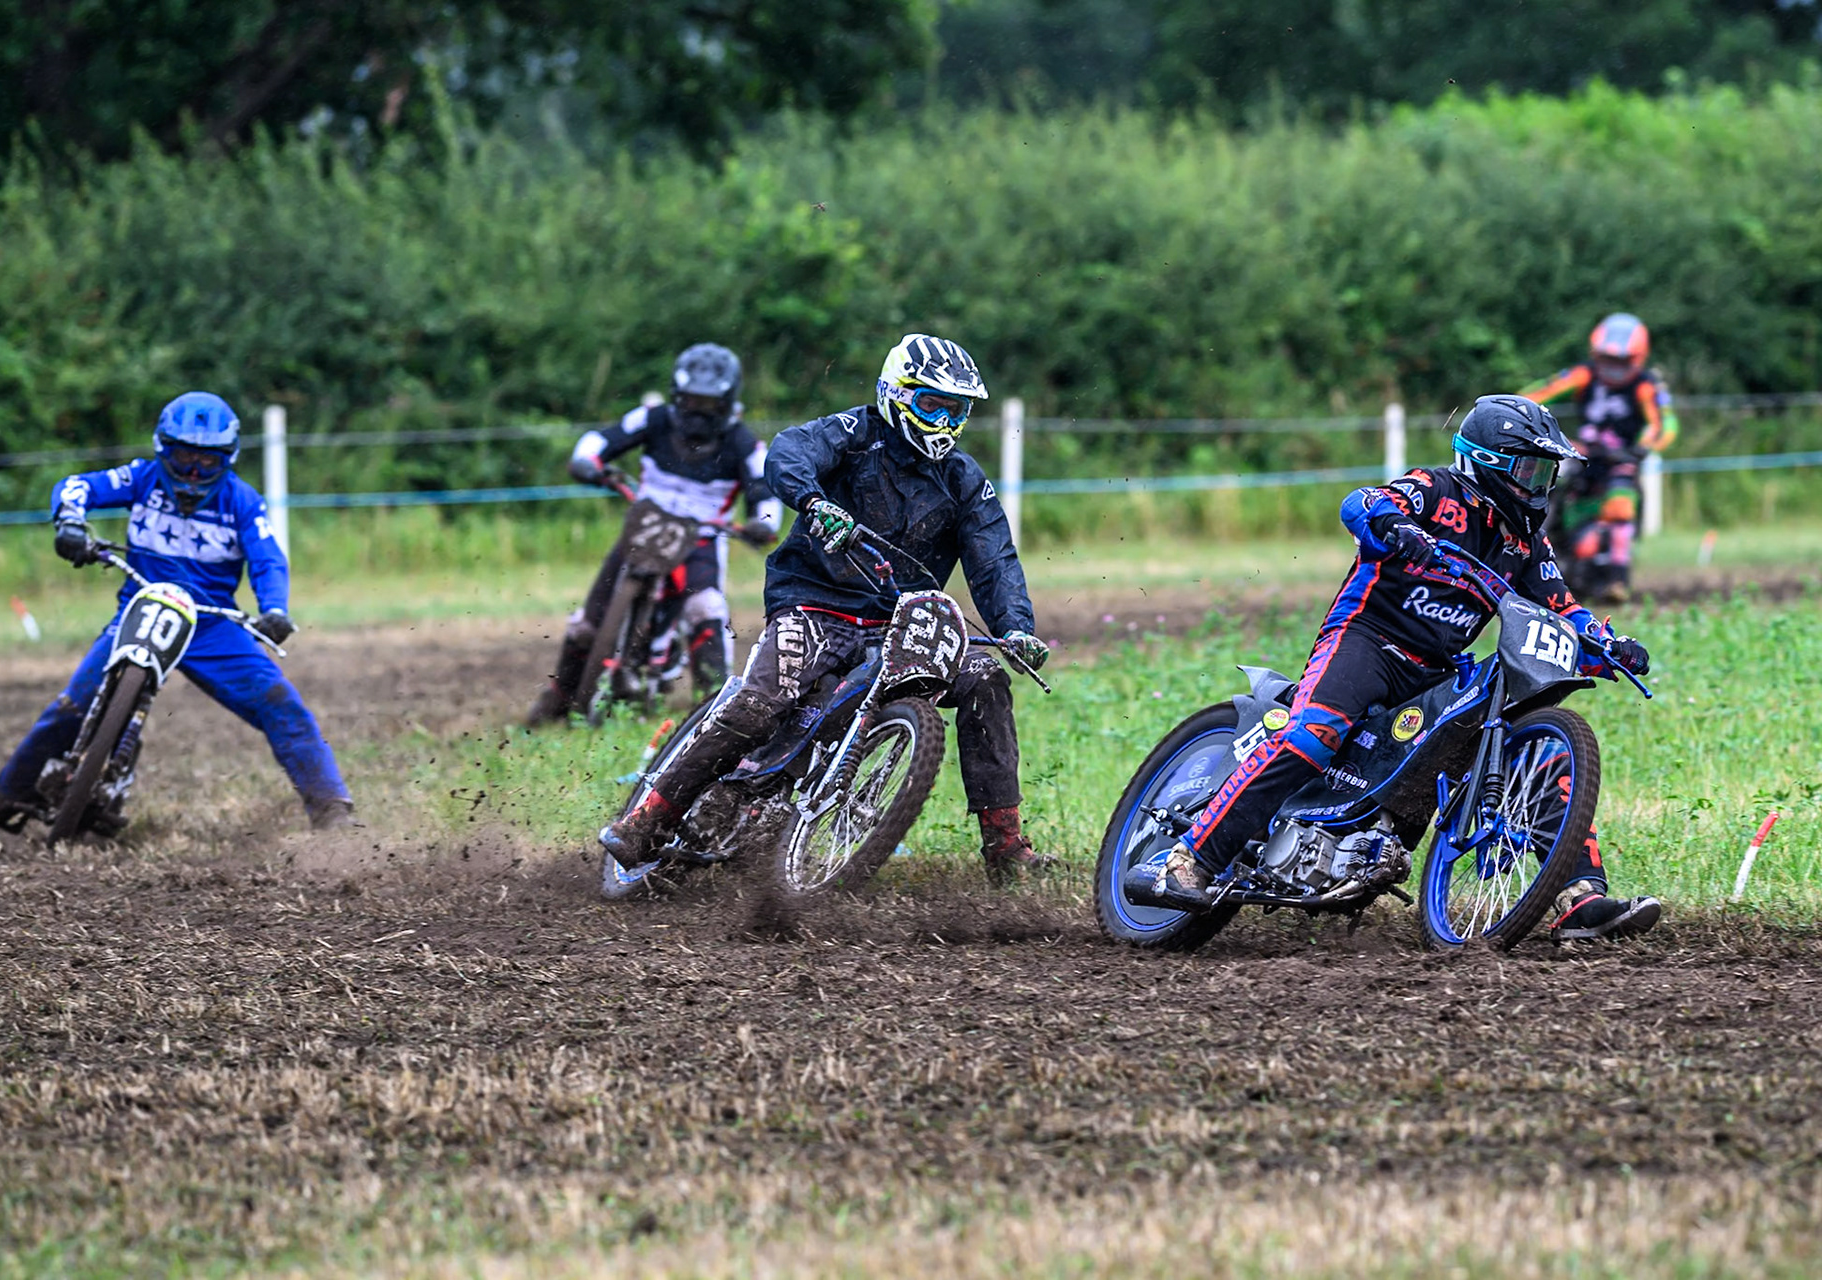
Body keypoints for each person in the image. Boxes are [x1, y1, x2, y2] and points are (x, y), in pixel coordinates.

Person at [1140, 395, 1661, 941]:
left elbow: (1562, 607)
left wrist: (1609, 642)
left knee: (1531, 754)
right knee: (1314, 732)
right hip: (1365, 640)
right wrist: (1394, 527)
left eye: (1546, 472)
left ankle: (1580, 896)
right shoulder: (1436, 489)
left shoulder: (1525, 541)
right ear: (1489, 462)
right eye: (1530, 469)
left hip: (1436, 668)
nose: (1540, 485)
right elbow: (1362, 502)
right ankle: (1188, 859)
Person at [597, 333, 1054, 884]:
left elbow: (995, 561)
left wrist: (1017, 629)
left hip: (901, 622)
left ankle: (1005, 845)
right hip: (815, 605)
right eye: (932, 404)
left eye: (957, 409)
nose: (945, 420)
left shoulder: (963, 479)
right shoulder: (851, 434)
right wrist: (815, 503)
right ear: (895, 393)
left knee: (985, 679)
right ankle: (648, 820)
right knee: (757, 705)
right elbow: (788, 453)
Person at [0, 392, 354, 837]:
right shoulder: (142, 479)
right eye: (184, 456)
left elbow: (267, 559)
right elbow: (77, 486)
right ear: (163, 448)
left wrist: (275, 609)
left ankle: (330, 809)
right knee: (71, 704)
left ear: (228, 458)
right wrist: (69, 523)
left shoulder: (243, 501)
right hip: (139, 607)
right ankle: (7, 793)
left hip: (211, 624)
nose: (192, 471)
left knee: (283, 705)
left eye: (207, 461)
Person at [525, 343, 781, 724]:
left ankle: (716, 711)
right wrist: (587, 462)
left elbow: (765, 488)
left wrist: (764, 521)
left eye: (708, 403)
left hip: (701, 540)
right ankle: (560, 696)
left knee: (706, 610)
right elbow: (602, 439)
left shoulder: (744, 443)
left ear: (727, 402)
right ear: (677, 395)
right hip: (644, 529)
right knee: (585, 625)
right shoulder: (653, 418)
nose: (697, 410)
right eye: (691, 400)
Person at [1521, 313, 1680, 604]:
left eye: (1622, 361)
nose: (1614, 368)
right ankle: (1529, 546)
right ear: (1596, 354)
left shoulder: (1646, 386)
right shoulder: (1583, 374)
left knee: (1621, 508)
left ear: (1638, 358)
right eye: (1608, 359)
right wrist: (1512, 414)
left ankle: (1617, 579)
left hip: (1621, 460)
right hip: (1582, 454)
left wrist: (1642, 448)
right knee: (1536, 487)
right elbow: (1541, 392)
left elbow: (1663, 424)